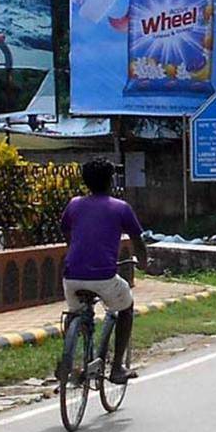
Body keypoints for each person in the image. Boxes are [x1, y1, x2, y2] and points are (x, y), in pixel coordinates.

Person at [59, 158, 150, 384]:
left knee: (75, 312)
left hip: (71, 277)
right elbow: (137, 240)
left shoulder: (74, 204)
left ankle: (68, 358)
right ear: (111, 181)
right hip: (104, 277)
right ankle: (117, 367)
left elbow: (67, 233)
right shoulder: (120, 208)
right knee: (126, 307)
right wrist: (144, 262)